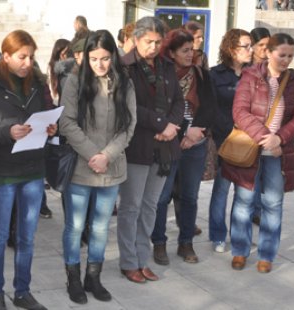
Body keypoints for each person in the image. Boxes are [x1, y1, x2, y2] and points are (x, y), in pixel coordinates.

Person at [0, 29, 56, 310]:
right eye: (21, 57)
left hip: (32, 171)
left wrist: (52, 129)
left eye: (31, 56)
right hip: (1, 173)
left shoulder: (38, 84)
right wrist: (7, 133)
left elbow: (50, 113)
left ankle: (22, 292)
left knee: (26, 238)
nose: (27, 62)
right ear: (5, 56)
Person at [59, 30, 136, 304]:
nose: (100, 65)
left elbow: (129, 126)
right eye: (93, 59)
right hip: (82, 166)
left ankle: (93, 276)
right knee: (76, 225)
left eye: (105, 58)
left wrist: (107, 156)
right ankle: (73, 278)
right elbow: (67, 122)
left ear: (113, 56)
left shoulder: (124, 83)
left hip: (111, 167)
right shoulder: (73, 82)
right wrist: (93, 154)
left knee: (101, 227)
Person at [225, 33, 294, 273]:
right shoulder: (251, 76)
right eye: (282, 55)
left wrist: (279, 139)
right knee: (244, 202)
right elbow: (240, 111)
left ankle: (266, 254)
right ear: (269, 52)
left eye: (290, 56)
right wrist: (264, 137)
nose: (286, 60)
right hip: (249, 149)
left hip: (278, 153)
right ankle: (240, 250)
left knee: (273, 203)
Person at [118, 16, 183, 284]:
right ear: (136, 40)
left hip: (164, 146)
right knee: (131, 207)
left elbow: (178, 101)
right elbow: (127, 105)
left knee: (150, 207)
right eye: (148, 42)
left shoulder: (167, 65)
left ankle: (143, 259)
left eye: (158, 42)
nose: (153, 47)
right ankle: (128, 261)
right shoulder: (124, 67)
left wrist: (172, 125)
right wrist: (161, 123)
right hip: (137, 146)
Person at [150, 29, 217, 265]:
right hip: (169, 142)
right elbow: (160, 109)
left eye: (193, 50)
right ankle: (159, 243)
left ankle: (185, 242)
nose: (191, 55)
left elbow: (211, 107)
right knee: (162, 196)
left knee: (189, 196)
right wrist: (184, 129)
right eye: (185, 50)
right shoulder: (161, 75)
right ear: (171, 52)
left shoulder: (201, 74)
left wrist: (196, 130)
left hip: (196, 143)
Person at [208, 28, 252, 253]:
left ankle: (240, 233)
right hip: (225, 139)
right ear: (232, 49)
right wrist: (228, 132)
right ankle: (217, 235)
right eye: (246, 46)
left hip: (249, 140)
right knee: (222, 189)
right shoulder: (215, 75)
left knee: (245, 191)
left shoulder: (254, 74)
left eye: (250, 45)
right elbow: (212, 109)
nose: (250, 50)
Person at [249, 26, 272, 225]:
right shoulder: (246, 69)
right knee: (252, 173)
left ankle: (258, 208)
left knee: (265, 172)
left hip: (270, 130)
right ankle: (253, 209)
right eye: (261, 45)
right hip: (249, 130)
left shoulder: (274, 68)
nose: (265, 50)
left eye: (268, 45)